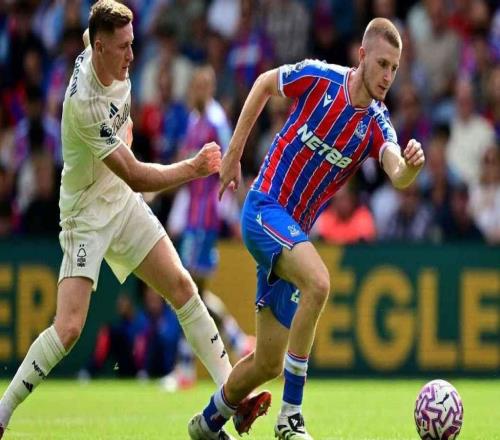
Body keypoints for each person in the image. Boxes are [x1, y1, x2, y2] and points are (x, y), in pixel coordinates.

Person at [0, 2, 263, 438]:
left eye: (133, 43)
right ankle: (2, 412)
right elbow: (137, 174)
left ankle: (230, 400)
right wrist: (194, 167)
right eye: (123, 47)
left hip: (121, 204)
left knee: (183, 287)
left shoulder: (100, 48)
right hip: (87, 215)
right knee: (68, 329)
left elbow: (90, 31)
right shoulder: (85, 103)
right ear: (100, 48)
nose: (132, 55)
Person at [188, 18, 425, 440]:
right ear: (362, 56)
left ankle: (206, 423)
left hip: (289, 233)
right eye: (382, 64)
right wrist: (234, 153)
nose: (388, 75)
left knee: (267, 362)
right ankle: (290, 417)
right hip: (263, 208)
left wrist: (410, 167)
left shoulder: (376, 122)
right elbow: (264, 83)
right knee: (319, 282)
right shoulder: (320, 78)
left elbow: (396, 170)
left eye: (395, 68)